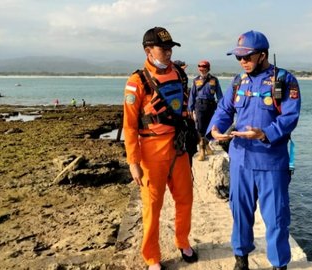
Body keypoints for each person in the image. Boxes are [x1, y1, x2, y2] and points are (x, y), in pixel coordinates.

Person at [206, 30, 301, 270]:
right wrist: (215, 129)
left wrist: (265, 133)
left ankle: (279, 264)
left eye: (247, 57)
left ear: (262, 55)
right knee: (240, 213)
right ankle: (241, 259)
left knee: (277, 218)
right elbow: (225, 109)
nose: (242, 62)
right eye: (238, 58)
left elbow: (290, 116)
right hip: (240, 160)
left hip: (271, 161)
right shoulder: (238, 81)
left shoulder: (284, 80)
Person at [122, 26, 198, 270]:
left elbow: (184, 109)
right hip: (151, 153)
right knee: (152, 207)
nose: (167, 52)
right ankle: (152, 256)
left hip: (178, 148)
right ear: (148, 50)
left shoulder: (179, 74)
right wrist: (133, 162)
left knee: (186, 198)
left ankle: (182, 240)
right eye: (162, 48)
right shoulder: (136, 82)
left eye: (170, 48)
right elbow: (130, 126)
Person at [188, 60, 223, 161]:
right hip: (199, 106)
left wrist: (222, 108)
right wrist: (190, 108)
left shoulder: (214, 80)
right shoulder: (195, 80)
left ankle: (207, 146)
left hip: (211, 105)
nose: (201, 69)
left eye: (203, 67)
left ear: (208, 68)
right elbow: (192, 95)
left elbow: (219, 95)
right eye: (200, 67)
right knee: (200, 128)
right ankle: (202, 150)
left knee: (210, 127)